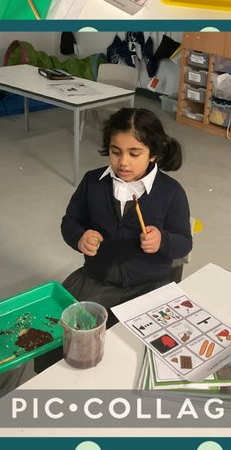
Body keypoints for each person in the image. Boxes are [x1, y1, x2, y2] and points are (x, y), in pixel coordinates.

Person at [60, 106, 192, 313]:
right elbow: (70, 222)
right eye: (115, 152)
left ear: (153, 154)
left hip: (150, 285)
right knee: (64, 331)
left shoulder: (171, 192)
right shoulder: (92, 183)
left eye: (134, 153)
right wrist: (79, 237)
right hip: (97, 279)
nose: (123, 162)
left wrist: (162, 241)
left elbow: (184, 243)